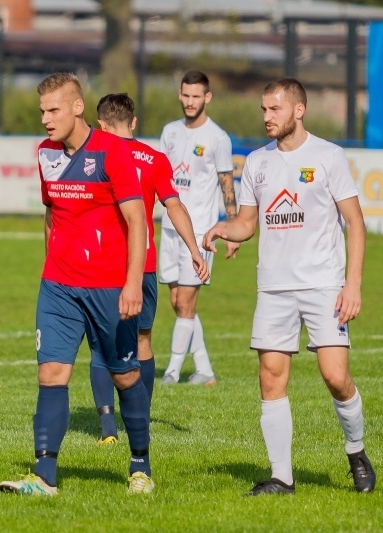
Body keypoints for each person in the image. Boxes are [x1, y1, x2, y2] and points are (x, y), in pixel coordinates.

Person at [202, 78, 376, 495]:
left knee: (336, 377)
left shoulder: (329, 156)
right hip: (274, 288)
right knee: (271, 377)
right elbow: (248, 221)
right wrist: (226, 229)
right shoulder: (258, 163)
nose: (266, 117)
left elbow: (355, 222)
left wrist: (352, 285)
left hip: (323, 285)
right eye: (264, 109)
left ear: (298, 110)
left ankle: (356, 450)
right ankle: (282, 476)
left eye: (274, 109)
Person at [0, 73, 155, 496]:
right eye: (42, 112)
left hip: (109, 288)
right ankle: (44, 475)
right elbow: (51, 214)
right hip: (59, 286)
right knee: (51, 373)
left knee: (124, 377)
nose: (46, 120)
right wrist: (49, 264)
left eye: (54, 110)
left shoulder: (113, 152)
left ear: (77, 107)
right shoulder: (45, 153)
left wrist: (133, 283)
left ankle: (140, 464)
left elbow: (137, 220)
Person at [90, 92, 211, 444]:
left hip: (104, 265)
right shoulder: (155, 159)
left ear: (101, 124)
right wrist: (194, 250)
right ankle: (137, 420)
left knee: (101, 344)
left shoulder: (95, 155)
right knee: (143, 339)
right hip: (143, 266)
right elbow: (174, 207)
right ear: (134, 122)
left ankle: (108, 429)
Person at [158, 70, 239, 386]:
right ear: (180, 95)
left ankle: (172, 372)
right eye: (186, 95)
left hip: (201, 232)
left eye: (197, 96)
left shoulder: (218, 138)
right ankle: (205, 371)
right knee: (177, 302)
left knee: (185, 303)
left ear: (207, 98)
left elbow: (226, 184)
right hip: (169, 227)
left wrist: (231, 228)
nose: (190, 102)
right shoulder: (170, 132)